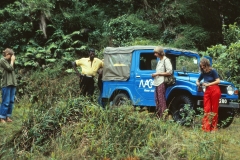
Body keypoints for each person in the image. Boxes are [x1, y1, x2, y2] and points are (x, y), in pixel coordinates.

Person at [196, 58, 221, 132]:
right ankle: (206, 128)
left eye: (203, 65)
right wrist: (198, 83)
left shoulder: (213, 71)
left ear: (206, 64)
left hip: (214, 89)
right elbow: (198, 80)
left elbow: (218, 81)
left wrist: (208, 84)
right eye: (201, 66)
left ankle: (213, 128)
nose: (202, 67)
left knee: (214, 109)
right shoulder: (203, 72)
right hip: (207, 90)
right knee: (207, 108)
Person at [152, 46, 172, 118]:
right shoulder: (159, 60)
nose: (155, 54)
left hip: (162, 82)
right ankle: (158, 116)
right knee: (156, 99)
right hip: (157, 81)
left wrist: (157, 74)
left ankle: (164, 116)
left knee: (161, 99)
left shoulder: (166, 60)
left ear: (160, 53)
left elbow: (169, 72)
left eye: (156, 53)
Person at [0, 48, 17, 123]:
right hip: (6, 84)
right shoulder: (2, 60)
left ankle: (8, 116)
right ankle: (2, 117)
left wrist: (12, 61)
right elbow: (10, 68)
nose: (12, 57)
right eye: (11, 55)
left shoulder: (10, 61)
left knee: (11, 101)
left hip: (12, 83)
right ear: (7, 54)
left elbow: (13, 68)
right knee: (6, 101)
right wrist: (12, 61)